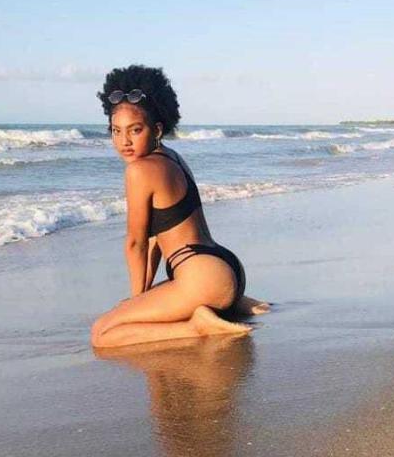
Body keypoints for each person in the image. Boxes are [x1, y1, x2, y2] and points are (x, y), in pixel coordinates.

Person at [91, 65, 268, 348]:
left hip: (203, 278)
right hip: (226, 268)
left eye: (135, 130)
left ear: (157, 129)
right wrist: (142, 298)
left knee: (102, 334)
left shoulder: (139, 170)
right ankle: (233, 304)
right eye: (116, 131)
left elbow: (136, 243)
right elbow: (155, 241)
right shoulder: (173, 157)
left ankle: (197, 327)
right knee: (129, 311)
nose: (124, 141)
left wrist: (136, 303)